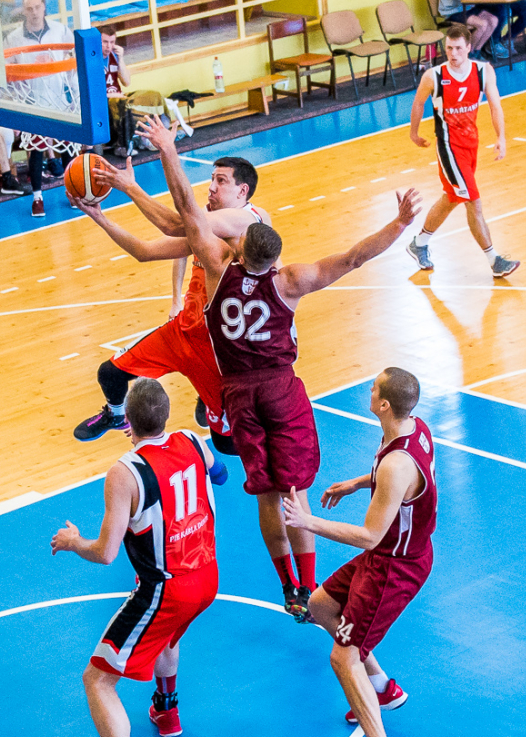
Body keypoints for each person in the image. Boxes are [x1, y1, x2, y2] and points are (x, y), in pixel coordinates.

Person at [160, 113, 422, 621]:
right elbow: (353, 258)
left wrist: (166, 153)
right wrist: (399, 223)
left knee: (266, 493)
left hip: (239, 394)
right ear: (275, 257)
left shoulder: (216, 272)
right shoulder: (290, 281)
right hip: (280, 390)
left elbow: (188, 216)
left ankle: (290, 588)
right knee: (295, 488)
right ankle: (309, 580)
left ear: (237, 250)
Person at [51, 377, 222, 737]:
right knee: (166, 638)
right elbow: (219, 472)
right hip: (207, 576)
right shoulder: (191, 439)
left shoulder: (125, 473)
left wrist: (73, 541)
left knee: (97, 679)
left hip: (166, 587)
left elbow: (106, 554)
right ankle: (167, 712)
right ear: (166, 414)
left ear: (127, 420)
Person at [280, 366, 435, 737]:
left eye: (373, 387)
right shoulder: (413, 428)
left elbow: (370, 534)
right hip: (386, 556)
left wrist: (308, 521)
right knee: (321, 606)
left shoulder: (396, 462)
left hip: (394, 567)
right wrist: (356, 483)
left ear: (384, 404)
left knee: (343, 658)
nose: (368, 389)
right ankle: (382, 688)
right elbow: (397, 482)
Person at [71, 153, 272, 453]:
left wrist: (130, 187)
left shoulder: (250, 220)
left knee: (225, 444)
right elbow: (144, 251)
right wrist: (99, 217)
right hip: (182, 331)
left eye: (221, 181)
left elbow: (174, 224)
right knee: (109, 374)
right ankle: (115, 415)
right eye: (212, 179)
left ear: (242, 191)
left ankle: (214, 400)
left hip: (216, 350)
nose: (211, 187)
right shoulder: (209, 226)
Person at [403, 26, 516, 278]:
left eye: (457, 48)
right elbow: (419, 102)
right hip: (448, 147)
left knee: (452, 197)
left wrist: (501, 137)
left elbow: (495, 106)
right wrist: (413, 132)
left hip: (470, 145)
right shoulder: (433, 76)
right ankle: (494, 260)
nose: (452, 53)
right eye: (449, 48)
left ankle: (418, 244)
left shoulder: (483, 71)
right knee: (473, 202)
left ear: (468, 47)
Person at [4, 0, 78, 214]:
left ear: (44, 7)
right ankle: (37, 197)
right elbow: (7, 74)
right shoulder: (13, 38)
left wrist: (74, 90)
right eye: (29, 9)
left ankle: (74, 191)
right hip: (31, 101)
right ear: (23, 11)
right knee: (36, 150)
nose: (34, 12)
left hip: (58, 99)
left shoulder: (61, 30)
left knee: (67, 148)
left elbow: (75, 57)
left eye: (37, 7)